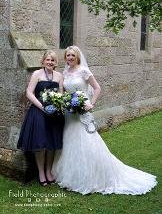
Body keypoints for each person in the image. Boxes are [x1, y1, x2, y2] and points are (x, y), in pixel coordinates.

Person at [52, 45, 157, 195]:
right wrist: (63, 102)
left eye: (72, 56)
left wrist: (91, 103)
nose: (70, 58)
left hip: (82, 113)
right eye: (68, 55)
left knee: (87, 141)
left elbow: (97, 88)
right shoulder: (65, 72)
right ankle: (70, 175)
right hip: (70, 114)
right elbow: (63, 92)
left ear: (77, 57)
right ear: (65, 58)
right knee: (70, 140)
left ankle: (91, 176)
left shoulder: (84, 71)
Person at [17, 50, 64, 186]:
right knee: (41, 144)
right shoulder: (37, 74)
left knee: (52, 144)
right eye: (47, 60)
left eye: (52, 60)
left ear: (55, 63)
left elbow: (60, 93)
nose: (50, 62)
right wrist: (42, 107)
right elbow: (29, 93)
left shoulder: (59, 76)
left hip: (54, 114)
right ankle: (41, 173)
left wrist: (57, 105)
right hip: (39, 112)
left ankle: (49, 171)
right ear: (43, 61)